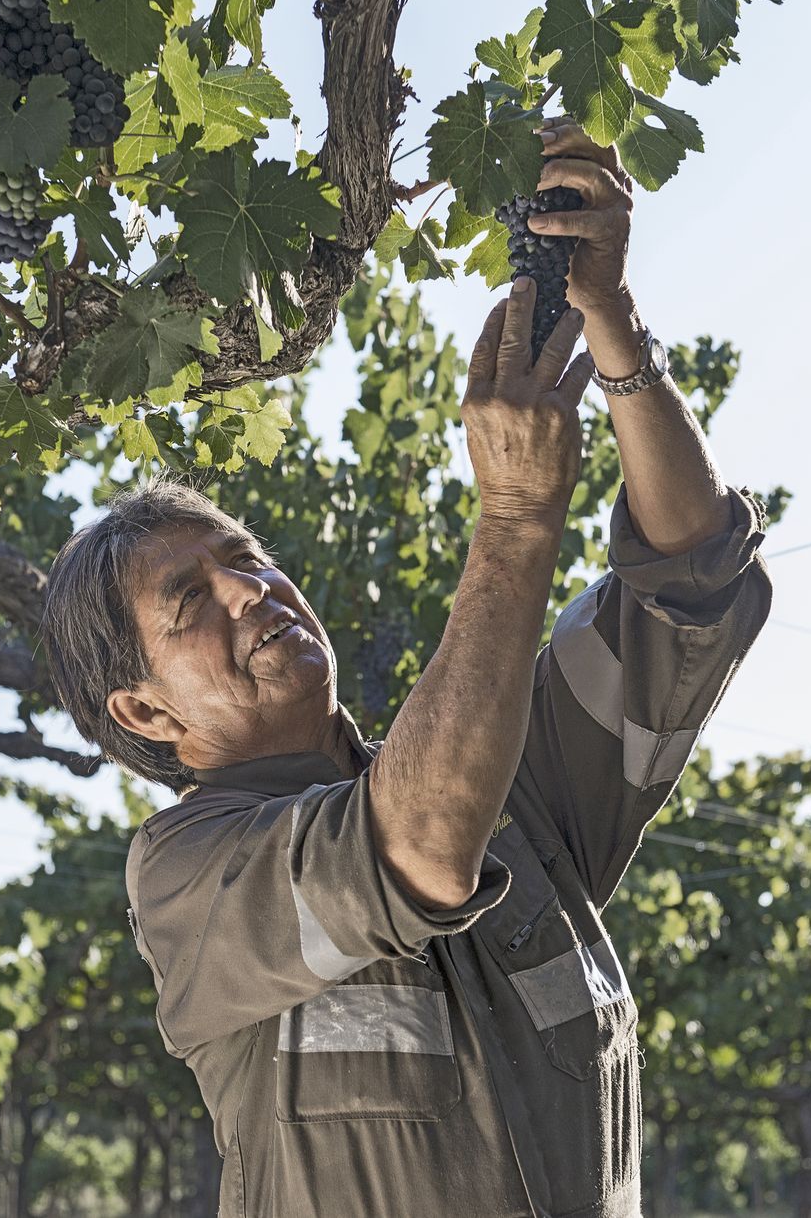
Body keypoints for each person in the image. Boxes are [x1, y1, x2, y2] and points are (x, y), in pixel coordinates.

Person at [40, 116, 773, 1218]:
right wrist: (518, 516)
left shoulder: (515, 794)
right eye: (191, 600)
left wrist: (609, 327)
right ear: (141, 707)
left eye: (249, 559)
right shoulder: (188, 878)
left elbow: (692, 580)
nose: (252, 590)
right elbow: (415, 849)